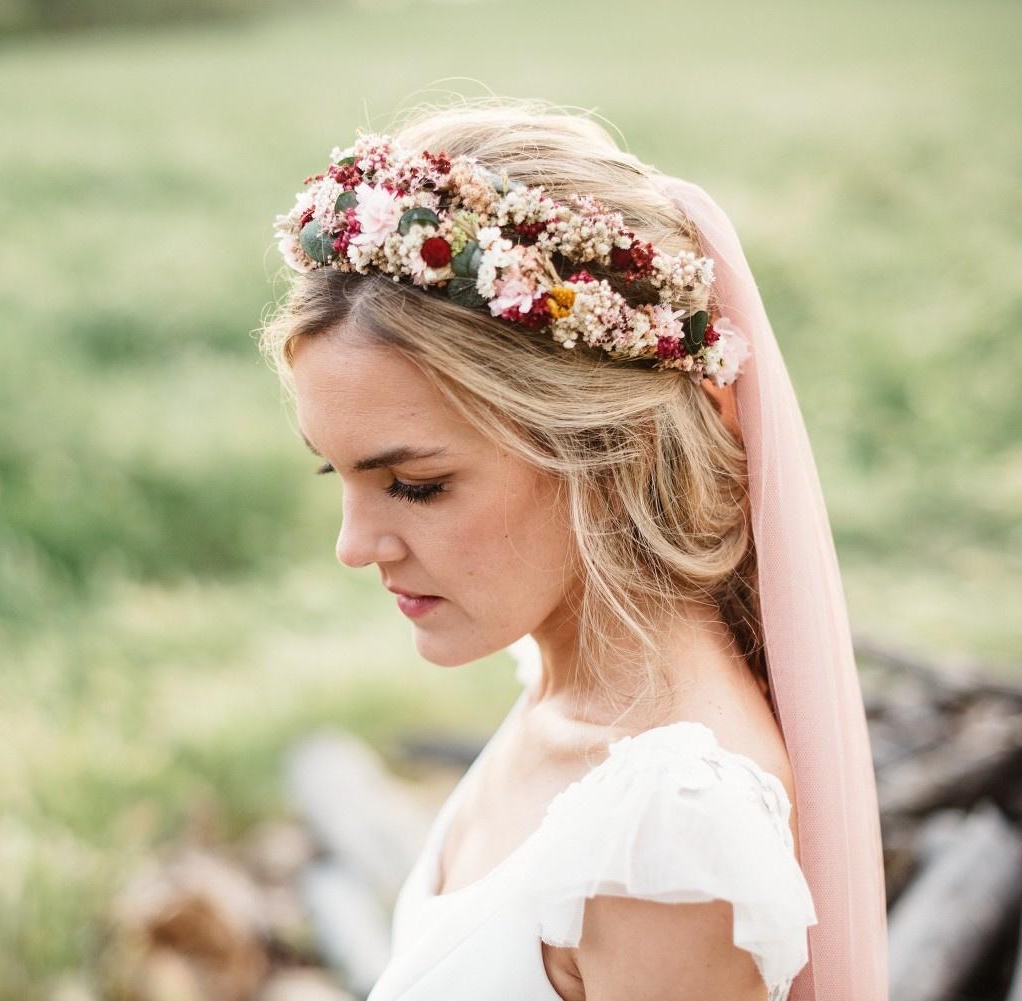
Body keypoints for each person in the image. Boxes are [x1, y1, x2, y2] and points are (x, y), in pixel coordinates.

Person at [257, 98, 888, 1001]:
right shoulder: (565, 681)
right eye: (337, 475)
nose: (354, 547)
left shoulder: (671, 835)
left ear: (603, 451)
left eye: (417, 484)